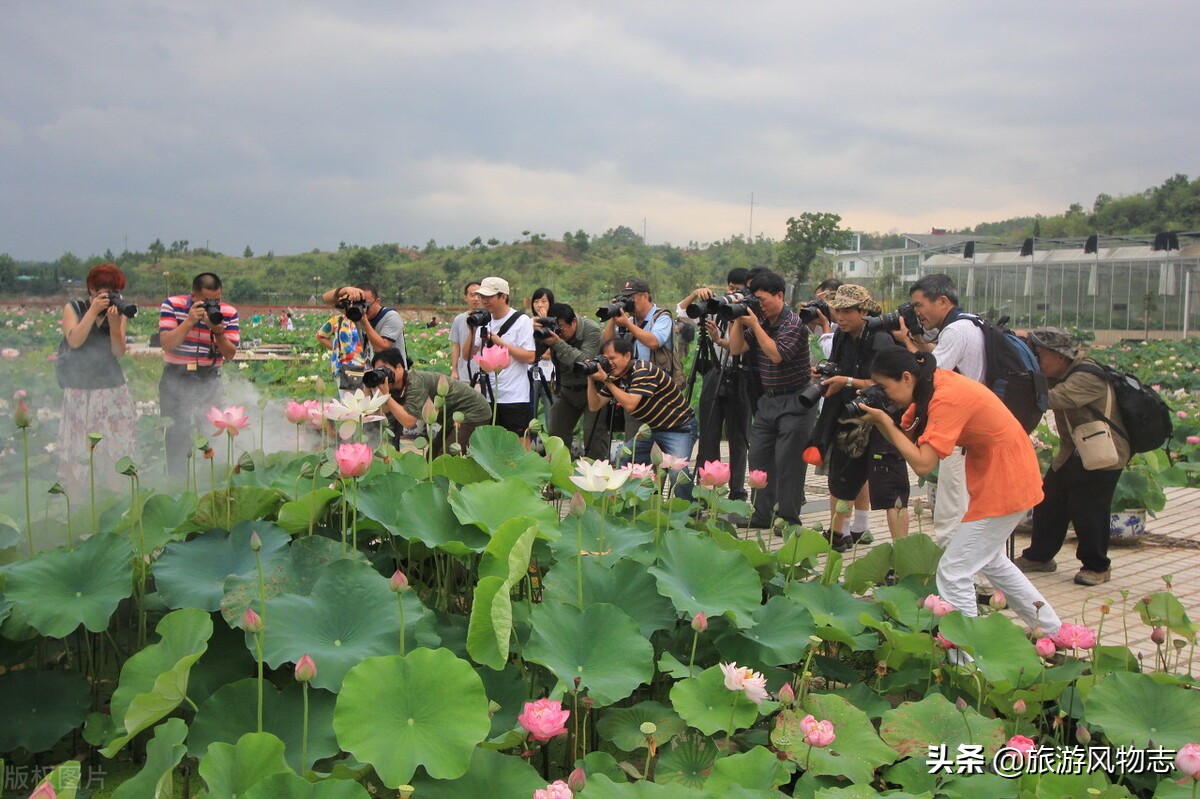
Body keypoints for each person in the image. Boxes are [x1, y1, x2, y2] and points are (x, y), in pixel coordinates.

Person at [859, 348, 1061, 635]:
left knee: (953, 572)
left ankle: (968, 654)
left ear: (906, 377)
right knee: (991, 560)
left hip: (1006, 480)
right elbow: (910, 438)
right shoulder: (930, 386)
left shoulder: (945, 397)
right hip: (1000, 475)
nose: (885, 394)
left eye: (885, 387)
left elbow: (923, 464)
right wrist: (882, 417)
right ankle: (1054, 633)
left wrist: (883, 422)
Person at [1015, 328, 1131, 586]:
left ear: (1059, 356)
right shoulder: (1059, 372)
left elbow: (1051, 399)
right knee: (1048, 499)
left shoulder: (1087, 376)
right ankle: (1040, 557)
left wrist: (1015, 384)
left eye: (1039, 354)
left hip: (1104, 452)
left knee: (1089, 510)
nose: (1036, 360)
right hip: (1074, 451)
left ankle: (1097, 567)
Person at [810, 284, 908, 550]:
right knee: (840, 481)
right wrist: (826, 376)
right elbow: (839, 369)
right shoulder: (842, 335)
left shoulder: (880, 339)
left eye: (846, 311)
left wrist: (848, 381)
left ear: (862, 310)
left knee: (892, 490)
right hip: (850, 416)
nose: (840, 317)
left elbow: (887, 385)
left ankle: (902, 554)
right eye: (837, 310)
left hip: (881, 420)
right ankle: (836, 535)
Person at [900, 274, 986, 545]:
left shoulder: (955, 331)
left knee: (952, 507)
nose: (916, 313)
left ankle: (949, 574)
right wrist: (916, 340)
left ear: (942, 301)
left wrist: (905, 343)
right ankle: (980, 579)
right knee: (969, 503)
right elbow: (939, 356)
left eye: (918, 305)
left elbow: (932, 375)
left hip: (961, 430)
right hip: (977, 426)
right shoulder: (971, 323)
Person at [727, 270, 816, 529]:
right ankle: (762, 514)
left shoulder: (793, 324)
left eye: (763, 300)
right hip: (769, 400)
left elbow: (776, 354)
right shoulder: (761, 322)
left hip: (796, 400)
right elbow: (735, 349)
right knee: (758, 457)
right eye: (755, 301)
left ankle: (788, 518)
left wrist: (754, 324)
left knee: (789, 462)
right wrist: (737, 319)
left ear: (780, 295)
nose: (760, 306)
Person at [57, 264, 137, 497]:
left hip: (112, 390)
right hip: (80, 391)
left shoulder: (118, 312)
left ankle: (113, 505)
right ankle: (76, 507)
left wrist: (114, 326)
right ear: (91, 290)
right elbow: (74, 341)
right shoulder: (74, 308)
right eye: (103, 292)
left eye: (114, 292)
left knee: (115, 449)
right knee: (76, 451)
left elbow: (119, 352)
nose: (109, 297)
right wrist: (92, 312)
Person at [676, 268, 752, 502]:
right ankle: (705, 489)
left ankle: (736, 491)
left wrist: (720, 340)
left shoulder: (750, 314)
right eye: (729, 287)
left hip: (741, 376)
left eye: (737, 289)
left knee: (738, 437)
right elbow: (682, 313)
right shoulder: (715, 309)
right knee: (708, 432)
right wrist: (695, 294)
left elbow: (741, 346)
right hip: (715, 372)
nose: (731, 292)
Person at [586, 338, 696, 499]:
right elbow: (594, 406)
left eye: (612, 358)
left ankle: (691, 510)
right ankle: (634, 502)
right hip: (653, 430)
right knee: (624, 460)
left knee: (677, 471)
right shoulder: (616, 378)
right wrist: (589, 378)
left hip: (680, 428)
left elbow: (630, 404)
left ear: (627, 356)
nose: (608, 363)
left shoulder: (642, 370)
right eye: (605, 359)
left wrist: (607, 381)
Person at [159, 272, 240, 478]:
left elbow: (230, 353)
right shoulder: (172, 305)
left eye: (217, 300)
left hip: (209, 377)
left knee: (211, 432)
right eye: (206, 301)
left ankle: (207, 480)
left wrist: (218, 330)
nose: (213, 305)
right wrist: (188, 322)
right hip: (175, 377)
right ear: (193, 296)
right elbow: (167, 344)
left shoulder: (228, 313)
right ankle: (177, 482)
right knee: (176, 434)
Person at [600, 278, 683, 449]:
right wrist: (613, 318)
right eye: (625, 298)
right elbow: (607, 344)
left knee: (658, 445)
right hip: (633, 389)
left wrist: (628, 326)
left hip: (657, 392)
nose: (628, 302)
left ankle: (656, 475)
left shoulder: (662, 317)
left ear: (645, 296)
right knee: (634, 443)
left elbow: (654, 341)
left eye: (631, 298)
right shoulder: (629, 321)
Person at [370, 347, 492, 456]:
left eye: (384, 370)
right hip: (451, 417)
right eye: (378, 371)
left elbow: (408, 422)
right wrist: (369, 385)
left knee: (447, 458)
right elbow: (376, 413)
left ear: (399, 367)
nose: (383, 375)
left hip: (473, 412)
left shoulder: (415, 382)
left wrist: (386, 396)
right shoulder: (396, 386)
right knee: (432, 458)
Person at [466, 276, 536, 436]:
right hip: (487, 396)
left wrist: (498, 341)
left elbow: (530, 357)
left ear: (503, 296)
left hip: (514, 397)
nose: (483, 300)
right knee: (491, 446)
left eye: (488, 296)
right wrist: (472, 329)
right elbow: (468, 355)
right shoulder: (484, 320)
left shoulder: (522, 321)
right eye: (482, 296)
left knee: (517, 445)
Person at [540, 302, 610, 459]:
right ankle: (560, 473)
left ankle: (596, 475)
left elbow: (585, 361)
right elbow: (532, 355)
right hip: (567, 390)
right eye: (555, 327)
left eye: (561, 327)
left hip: (593, 390)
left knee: (593, 436)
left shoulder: (590, 329)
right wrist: (537, 333)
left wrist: (558, 343)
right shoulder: (554, 334)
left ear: (573, 322)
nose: (559, 332)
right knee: (556, 434)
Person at [321, 283, 407, 366]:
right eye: (359, 304)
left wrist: (364, 321)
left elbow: (381, 347)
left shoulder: (391, 316)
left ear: (378, 301)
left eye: (366, 305)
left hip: (394, 373)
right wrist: (346, 290)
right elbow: (326, 298)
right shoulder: (355, 313)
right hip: (372, 374)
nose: (363, 308)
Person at [315, 308, 365, 389]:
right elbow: (321, 336)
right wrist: (336, 349)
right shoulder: (338, 320)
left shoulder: (367, 320)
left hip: (365, 366)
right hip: (344, 367)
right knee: (346, 398)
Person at [528, 287, 557, 423]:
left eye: (544, 301)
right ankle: (529, 442)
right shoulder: (527, 323)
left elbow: (549, 353)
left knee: (552, 415)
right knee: (528, 417)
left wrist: (546, 323)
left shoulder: (556, 324)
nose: (539, 305)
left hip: (551, 377)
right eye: (536, 301)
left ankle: (552, 443)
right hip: (530, 375)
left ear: (551, 303)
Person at [450, 280, 483, 384]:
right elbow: (456, 346)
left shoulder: (491, 318)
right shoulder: (459, 319)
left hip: (486, 375)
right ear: (466, 298)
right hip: (464, 374)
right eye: (472, 295)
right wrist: (454, 370)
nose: (476, 299)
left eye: (479, 295)